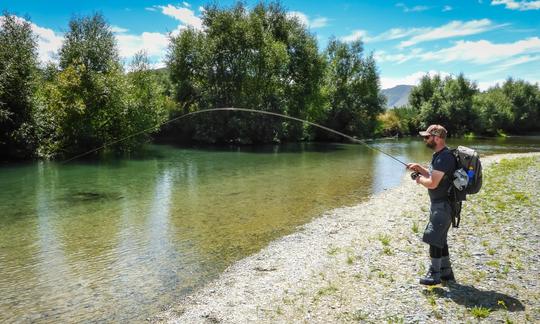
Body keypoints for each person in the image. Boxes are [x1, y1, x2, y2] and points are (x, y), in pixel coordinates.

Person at [406, 124, 457, 285]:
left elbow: (433, 183)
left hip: (443, 205)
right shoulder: (439, 155)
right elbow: (435, 176)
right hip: (440, 204)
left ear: (437, 138)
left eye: (427, 137)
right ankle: (446, 273)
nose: (425, 139)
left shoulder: (444, 157)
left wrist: (417, 178)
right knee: (440, 238)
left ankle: (434, 274)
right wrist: (420, 168)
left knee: (434, 237)